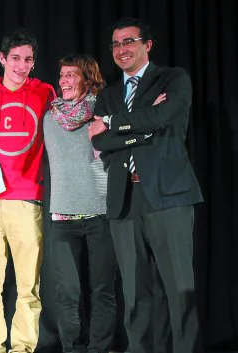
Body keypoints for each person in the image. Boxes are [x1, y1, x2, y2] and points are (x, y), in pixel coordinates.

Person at [88, 17, 203, 353]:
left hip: (169, 196)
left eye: (129, 42)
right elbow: (103, 143)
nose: (121, 50)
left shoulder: (173, 79)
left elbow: (162, 118)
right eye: (116, 44)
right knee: (135, 293)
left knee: (179, 289)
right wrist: (143, 127)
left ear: (146, 45)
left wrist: (113, 124)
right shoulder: (108, 95)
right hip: (125, 199)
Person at [0, 29, 56, 353]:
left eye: (28, 59)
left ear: (34, 62)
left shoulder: (45, 92)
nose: (21, 65)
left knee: (28, 286)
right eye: (15, 58)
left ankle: (22, 348)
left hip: (27, 199)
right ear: (3, 58)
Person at [43, 53, 117, 353]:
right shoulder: (49, 116)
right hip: (62, 216)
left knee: (102, 291)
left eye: (72, 75)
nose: (64, 81)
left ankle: (99, 349)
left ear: (88, 78)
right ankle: (72, 349)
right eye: (62, 76)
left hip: (100, 213)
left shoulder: (104, 112)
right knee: (67, 293)